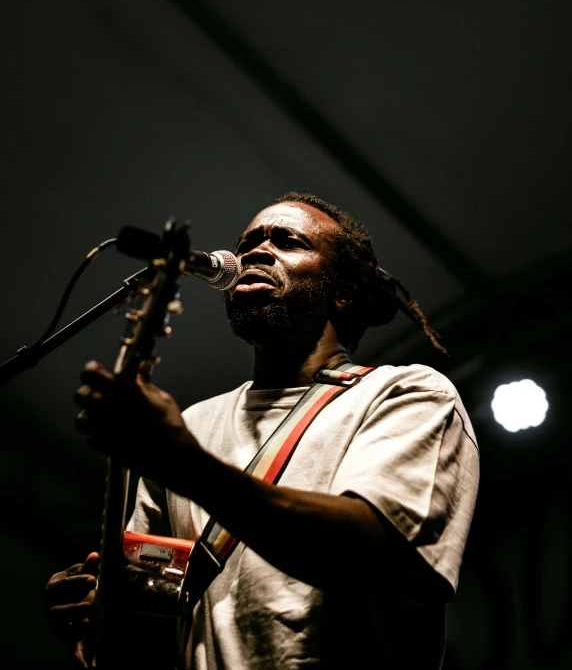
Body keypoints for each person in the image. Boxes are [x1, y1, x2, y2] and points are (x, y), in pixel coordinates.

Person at [45, 193, 479, 669]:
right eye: (248, 242)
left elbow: (362, 552)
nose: (255, 251)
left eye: (287, 241)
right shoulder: (191, 423)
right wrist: (97, 619)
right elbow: (148, 616)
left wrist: (186, 463)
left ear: (345, 292)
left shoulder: (405, 393)